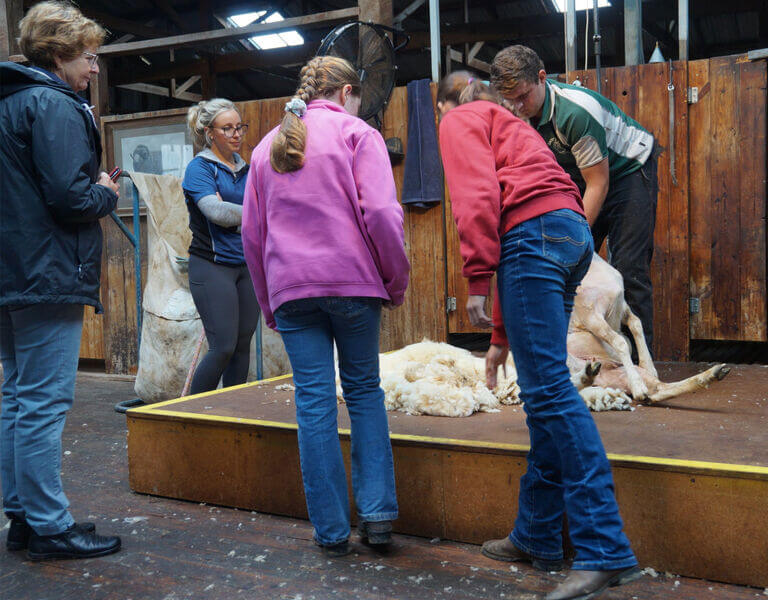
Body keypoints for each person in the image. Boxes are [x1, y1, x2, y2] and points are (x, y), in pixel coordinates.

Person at [436, 71, 640, 600]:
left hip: (535, 236)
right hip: (570, 233)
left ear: (445, 105)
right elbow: (526, 216)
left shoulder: (459, 117)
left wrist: (476, 279)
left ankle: (605, 548)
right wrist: (502, 335)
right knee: (546, 393)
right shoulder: (513, 123)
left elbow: (479, 198)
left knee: (548, 393)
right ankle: (538, 533)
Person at [242, 56, 409, 557]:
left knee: (313, 403)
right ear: (346, 94)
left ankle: (331, 532)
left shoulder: (264, 151)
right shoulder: (357, 134)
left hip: (293, 290)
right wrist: (393, 280)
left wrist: (270, 302)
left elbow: (253, 236)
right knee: (363, 393)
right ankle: (377, 518)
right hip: (354, 285)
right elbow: (380, 211)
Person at [0, 1, 122, 560]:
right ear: (59, 54)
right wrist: (106, 191)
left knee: (15, 397)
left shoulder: (7, 102)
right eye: (89, 57)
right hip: (46, 270)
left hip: (10, 273)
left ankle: (22, 517)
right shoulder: (53, 104)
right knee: (44, 402)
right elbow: (70, 198)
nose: (94, 68)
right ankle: (50, 525)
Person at [491, 45, 658, 352]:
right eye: (508, 99)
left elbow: (599, 183)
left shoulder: (574, 113)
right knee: (565, 267)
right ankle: (580, 357)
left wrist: (569, 236)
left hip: (627, 170)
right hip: (580, 176)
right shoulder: (514, 115)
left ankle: (639, 367)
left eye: (523, 96)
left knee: (628, 268)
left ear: (542, 78)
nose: (515, 107)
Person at [183, 99, 260, 394]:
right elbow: (215, 212)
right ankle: (193, 415)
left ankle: (232, 411)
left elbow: (249, 208)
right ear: (209, 132)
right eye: (227, 128)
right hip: (212, 266)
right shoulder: (199, 169)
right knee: (223, 346)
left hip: (246, 266)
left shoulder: (247, 170)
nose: (236, 134)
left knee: (242, 345)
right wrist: (252, 214)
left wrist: (237, 214)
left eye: (239, 127)